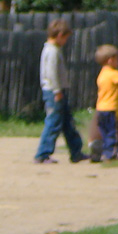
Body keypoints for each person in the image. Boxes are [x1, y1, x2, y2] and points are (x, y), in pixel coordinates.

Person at [33, 19, 87, 164]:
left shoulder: (53, 50)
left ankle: (76, 152)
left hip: (57, 91)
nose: (66, 41)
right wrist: (57, 91)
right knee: (54, 123)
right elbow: (51, 73)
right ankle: (43, 154)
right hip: (53, 92)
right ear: (60, 35)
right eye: (65, 38)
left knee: (67, 123)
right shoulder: (51, 51)